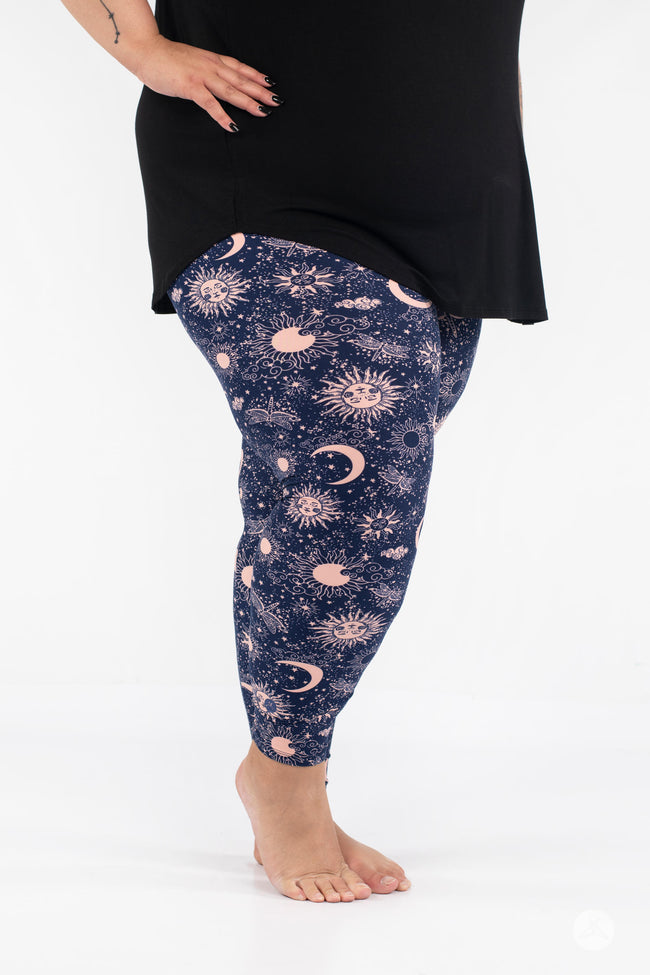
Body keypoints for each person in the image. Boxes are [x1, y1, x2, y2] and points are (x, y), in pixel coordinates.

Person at [59, 0, 548, 904]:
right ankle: (286, 774)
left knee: (351, 493)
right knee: (354, 495)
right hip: (266, 164)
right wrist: (142, 47)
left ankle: (286, 757)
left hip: (456, 182)